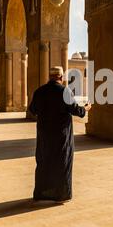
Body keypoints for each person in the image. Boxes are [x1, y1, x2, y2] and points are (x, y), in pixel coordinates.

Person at [29, 66, 92, 203]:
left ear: (49, 76)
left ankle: (42, 193)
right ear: (61, 77)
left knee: (44, 161)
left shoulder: (40, 91)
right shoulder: (65, 91)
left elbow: (32, 110)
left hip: (44, 134)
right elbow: (77, 111)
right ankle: (61, 195)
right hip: (61, 135)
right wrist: (86, 108)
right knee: (61, 163)